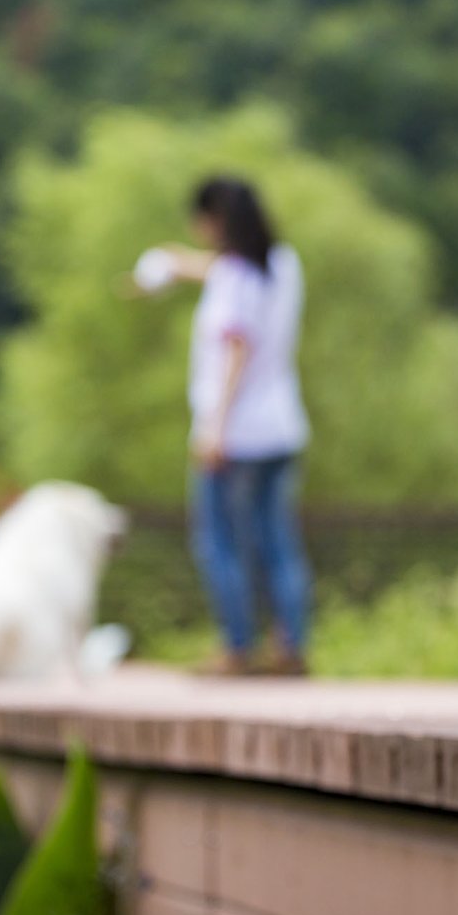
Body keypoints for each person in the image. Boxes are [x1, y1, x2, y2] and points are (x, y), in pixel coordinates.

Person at [140, 176, 311, 675]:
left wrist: (215, 426)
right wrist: (173, 265)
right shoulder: (282, 265)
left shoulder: (235, 278)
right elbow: (222, 269)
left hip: (236, 431)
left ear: (215, 220)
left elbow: (237, 346)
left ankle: (238, 646)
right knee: (276, 540)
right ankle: (290, 644)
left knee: (219, 540)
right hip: (282, 426)